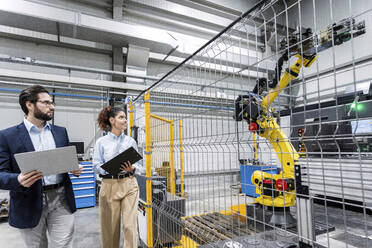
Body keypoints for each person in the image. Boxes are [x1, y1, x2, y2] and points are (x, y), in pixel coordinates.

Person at [0, 85, 82, 247]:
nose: (52, 107)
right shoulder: (7, 136)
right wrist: (18, 179)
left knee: (64, 244)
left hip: (61, 198)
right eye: (46, 103)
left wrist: (74, 168)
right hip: (29, 200)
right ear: (29, 105)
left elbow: (65, 161)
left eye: (51, 103)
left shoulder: (60, 132)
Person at [93, 106, 140, 248]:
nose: (125, 120)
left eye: (125, 117)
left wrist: (133, 168)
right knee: (110, 229)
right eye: (121, 117)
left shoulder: (131, 141)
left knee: (130, 227)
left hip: (129, 183)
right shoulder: (101, 142)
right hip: (109, 185)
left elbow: (140, 165)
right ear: (112, 120)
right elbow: (95, 165)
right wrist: (110, 167)